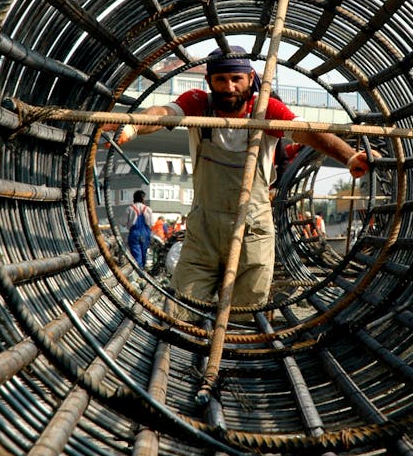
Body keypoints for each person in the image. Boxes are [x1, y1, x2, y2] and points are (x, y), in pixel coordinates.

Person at [112, 46, 373, 317]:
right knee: (184, 310)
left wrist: (350, 157)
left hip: (253, 232)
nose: (229, 87)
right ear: (209, 82)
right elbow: (164, 113)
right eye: (221, 80)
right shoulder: (199, 104)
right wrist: (133, 126)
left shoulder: (266, 109)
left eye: (237, 79)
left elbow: (308, 132)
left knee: (243, 316)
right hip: (204, 233)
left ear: (250, 78)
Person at [123, 189, 152, 269]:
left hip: (134, 233)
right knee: (144, 254)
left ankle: (139, 271)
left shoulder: (129, 209)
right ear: (142, 198)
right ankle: (142, 270)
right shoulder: (148, 209)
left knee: (136, 254)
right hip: (145, 233)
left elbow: (123, 223)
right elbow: (150, 223)